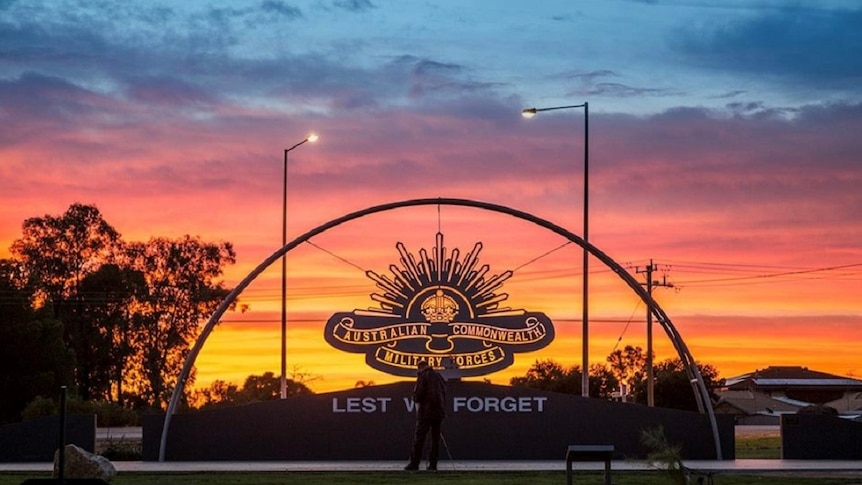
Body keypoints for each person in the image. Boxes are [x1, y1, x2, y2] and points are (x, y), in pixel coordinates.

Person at [404, 360, 447, 471]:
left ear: (420, 367)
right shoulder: (438, 376)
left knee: (419, 438)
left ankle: (414, 464)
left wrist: (414, 397)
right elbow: (444, 391)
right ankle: (433, 464)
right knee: (435, 440)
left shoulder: (423, 376)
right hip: (438, 412)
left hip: (425, 413)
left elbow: (418, 395)